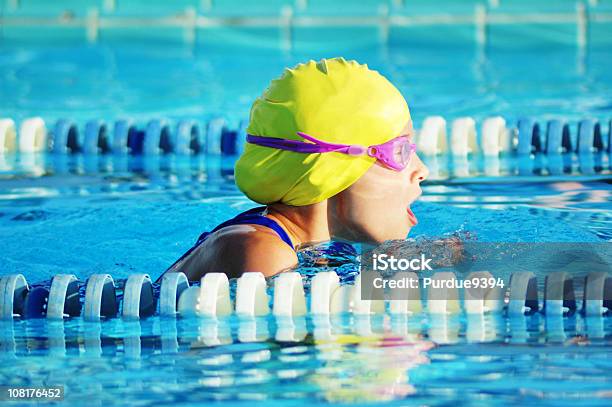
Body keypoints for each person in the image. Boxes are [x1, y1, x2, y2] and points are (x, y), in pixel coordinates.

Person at [163, 57, 429, 281]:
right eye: (400, 151)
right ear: (331, 168)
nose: (422, 170)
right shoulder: (262, 251)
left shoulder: (320, 247)